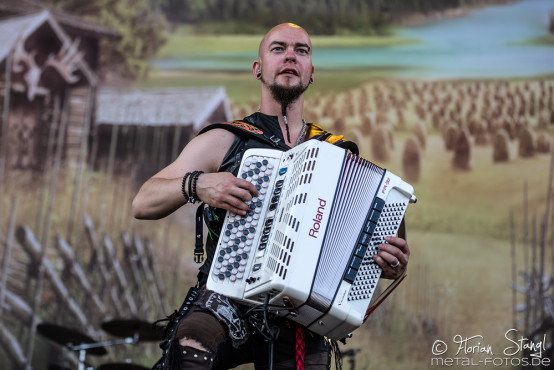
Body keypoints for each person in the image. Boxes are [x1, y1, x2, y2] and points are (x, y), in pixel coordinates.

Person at [132, 23, 410, 370]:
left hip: (300, 313)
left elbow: (377, 256)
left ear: (311, 73)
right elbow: (142, 202)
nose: (291, 55)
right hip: (227, 297)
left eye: (301, 51)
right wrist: (199, 184)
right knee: (192, 342)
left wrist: (387, 261)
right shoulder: (225, 139)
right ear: (258, 68)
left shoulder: (339, 155)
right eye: (278, 49)